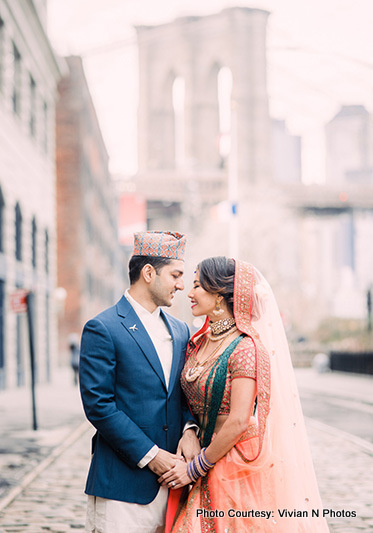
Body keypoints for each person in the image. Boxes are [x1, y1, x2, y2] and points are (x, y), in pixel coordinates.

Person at [160, 256, 330, 532]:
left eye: (197, 286)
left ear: (218, 295)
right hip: (205, 451)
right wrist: (189, 431)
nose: (189, 293)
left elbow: (238, 421)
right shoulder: (199, 341)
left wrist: (194, 469)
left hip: (236, 460)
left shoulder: (245, 348)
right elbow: (186, 399)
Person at [79, 231, 200, 533]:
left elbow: (185, 393)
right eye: (175, 274)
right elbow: (99, 406)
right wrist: (151, 456)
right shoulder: (103, 328)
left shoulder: (182, 330)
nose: (182, 285)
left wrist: (189, 430)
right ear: (148, 273)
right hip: (122, 487)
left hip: (175, 485)